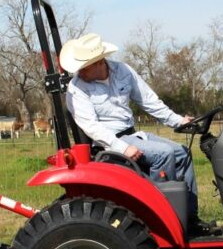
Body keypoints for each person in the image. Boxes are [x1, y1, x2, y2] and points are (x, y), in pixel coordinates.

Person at [59, 33, 210, 234]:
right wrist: (122, 147)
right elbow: (92, 127)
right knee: (164, 154)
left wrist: (179, 120)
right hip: (109, 143)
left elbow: (149, 101)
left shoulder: (123, 71)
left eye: (84, 66)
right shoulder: (77, 89)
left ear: (99, 62)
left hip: (131, 134)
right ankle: (164, 225)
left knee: (182, 153)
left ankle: (189, 218)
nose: (80, 71)